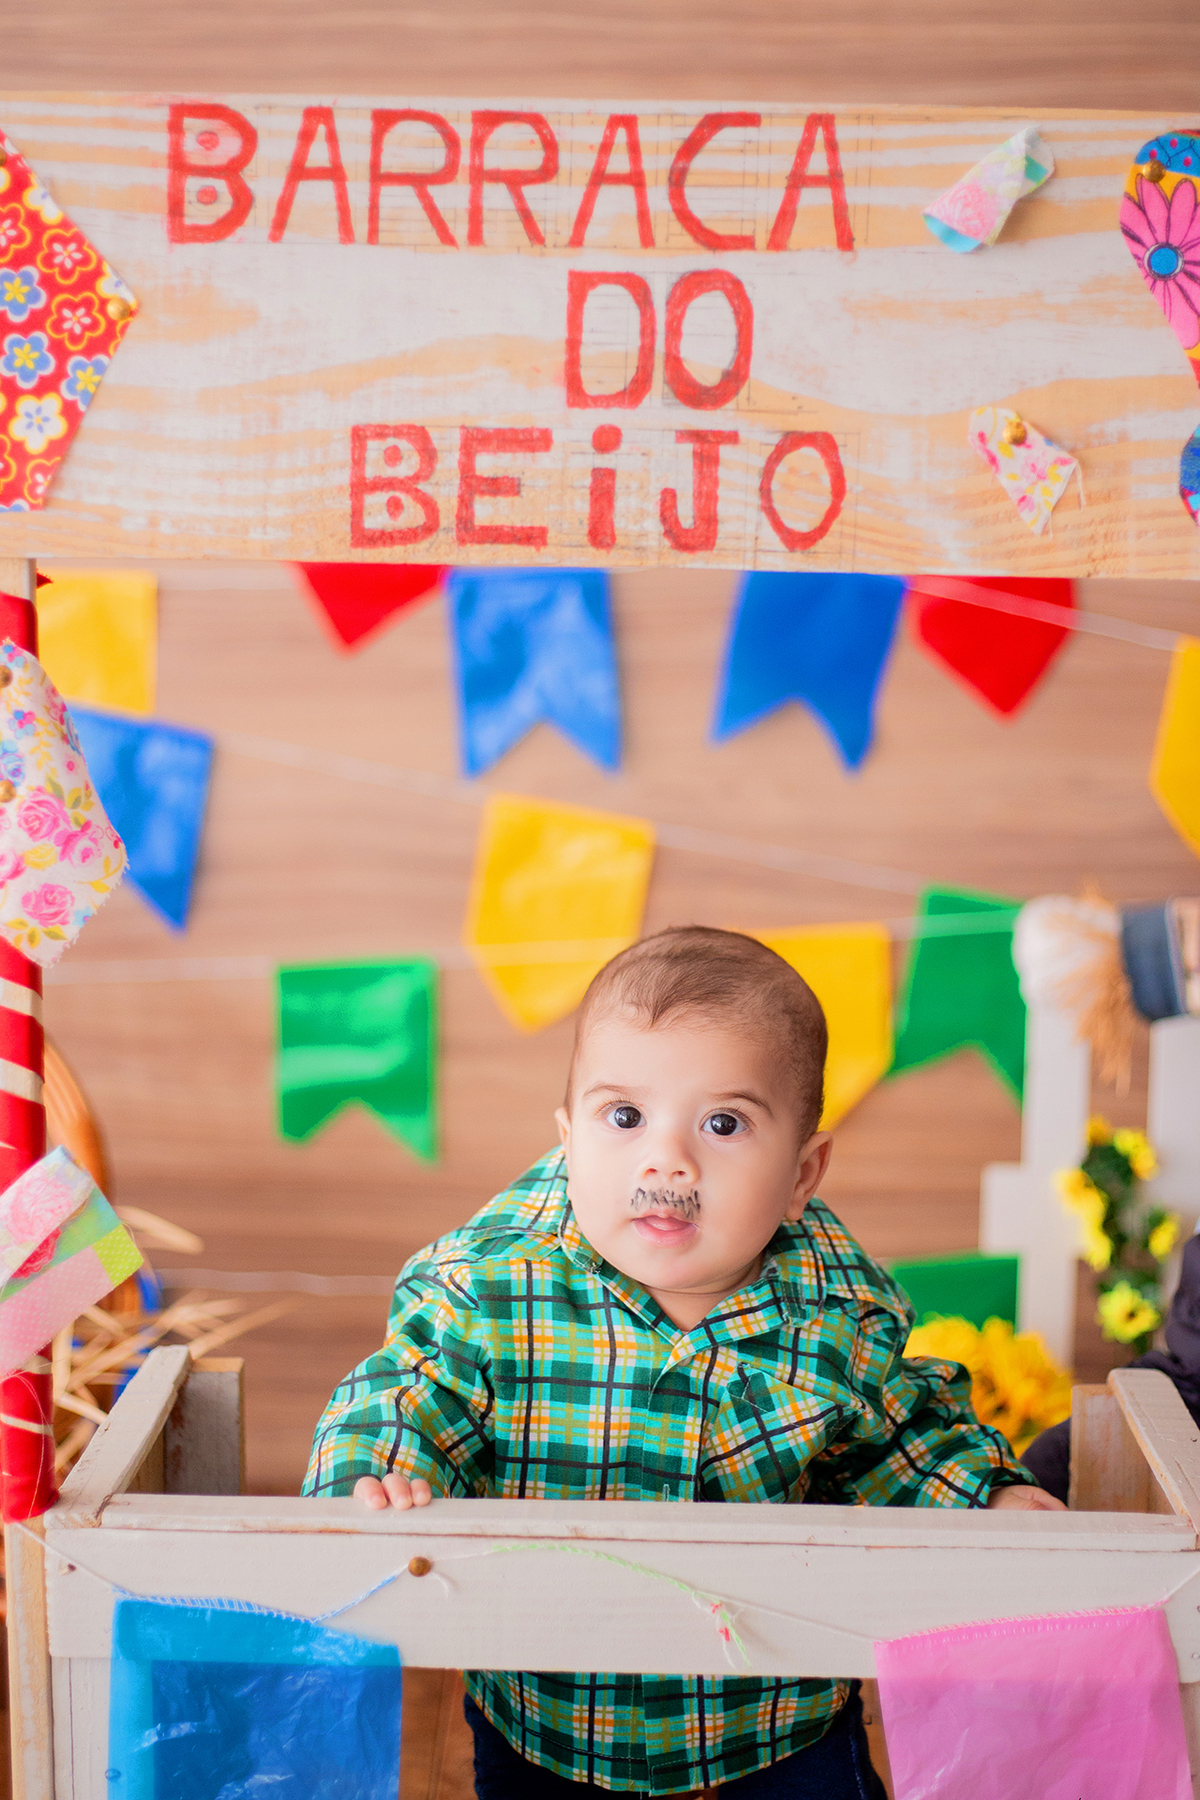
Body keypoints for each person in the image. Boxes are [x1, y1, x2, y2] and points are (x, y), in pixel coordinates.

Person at [305, 926, 1063, 1798]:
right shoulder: (495, 1285)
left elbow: (900, 1436)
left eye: (724, 1123)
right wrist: (379, 1467)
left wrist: (985, 1493)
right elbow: (412, 1385)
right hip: (552, 1723)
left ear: (801, 1172)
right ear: (568, 1133)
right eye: (624, 1117)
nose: (668, 1160)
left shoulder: (834, 1318)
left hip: (778, 1721)